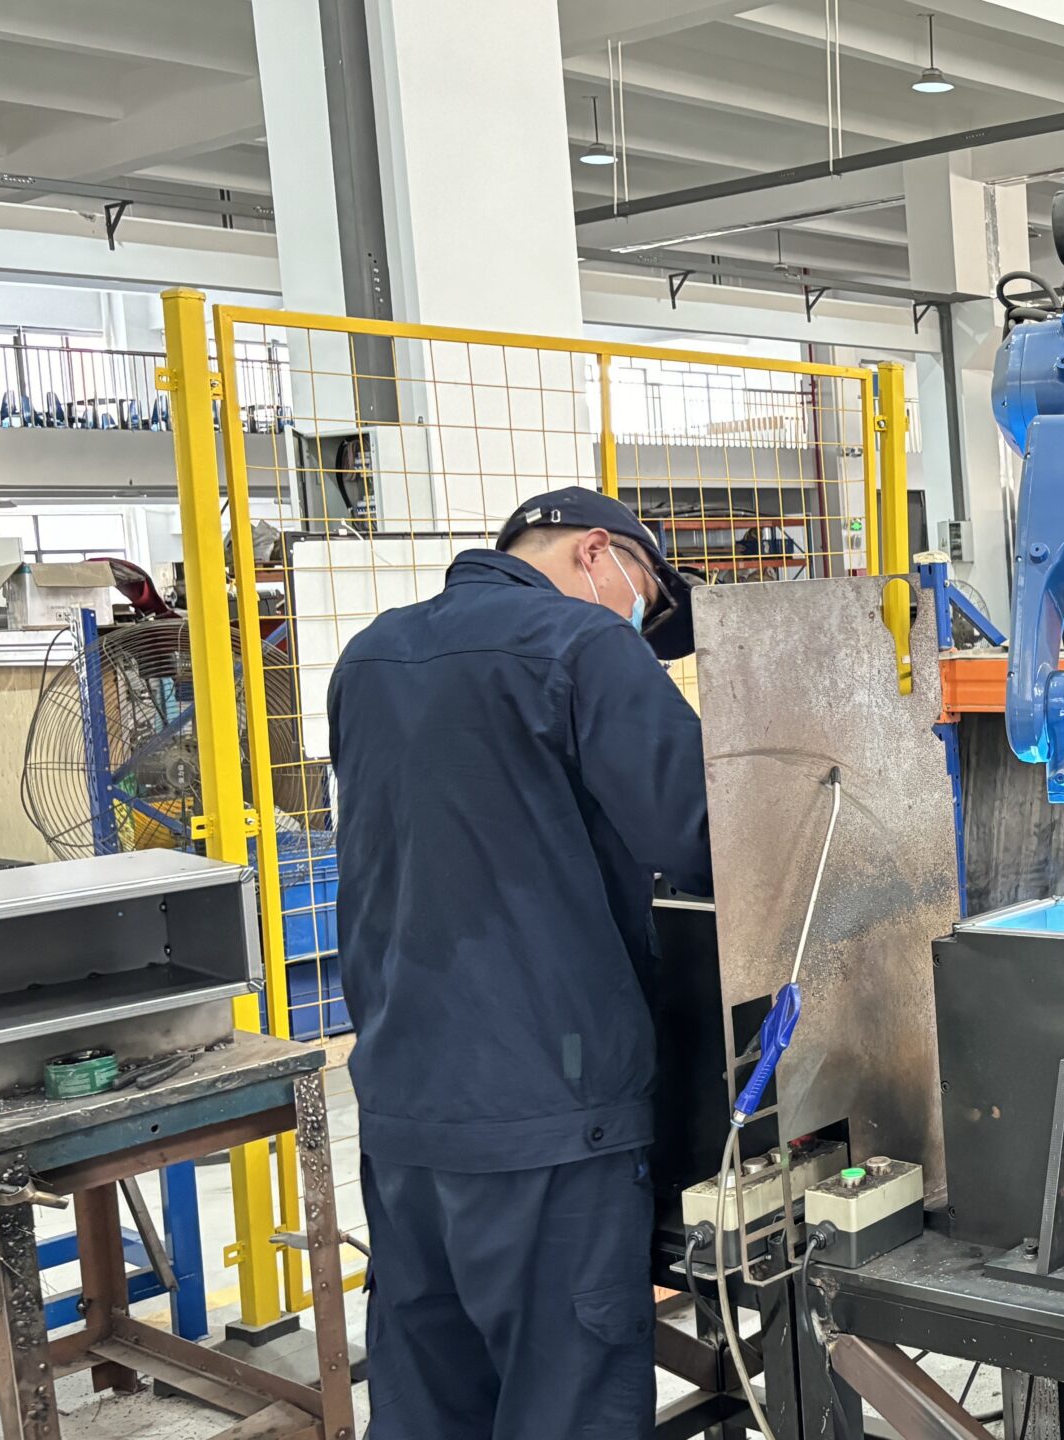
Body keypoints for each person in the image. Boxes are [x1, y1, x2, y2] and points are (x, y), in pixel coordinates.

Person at [328, 487, 712, 1440]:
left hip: (403, 1109)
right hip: (550, 1116)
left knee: (428, 1406)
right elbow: (702, 835)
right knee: (564, 1404)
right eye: (648, 596)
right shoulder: (586, 646)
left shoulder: (369, 656)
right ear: (597, 553)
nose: (641, 621)